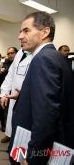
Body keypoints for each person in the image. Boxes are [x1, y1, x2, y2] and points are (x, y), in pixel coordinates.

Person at [8, 11, 74, 165]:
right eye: (20, 31)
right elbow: (57, 97)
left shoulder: (42, 59)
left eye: (26, 30)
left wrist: (32, 157)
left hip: (40, 150)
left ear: (45, 32)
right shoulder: (58, 57)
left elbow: (46, 115)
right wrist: (25, 95)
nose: (20, 36)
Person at [0, 48, 32, 143]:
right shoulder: (19, 53)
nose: (20, 36)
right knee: (11, 117)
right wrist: (4, 94)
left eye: (25, 32)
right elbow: (10, 76)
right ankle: (9, 135)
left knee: (25, 125)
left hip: (27, 96)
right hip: (13, 95)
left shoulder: (38, 54)